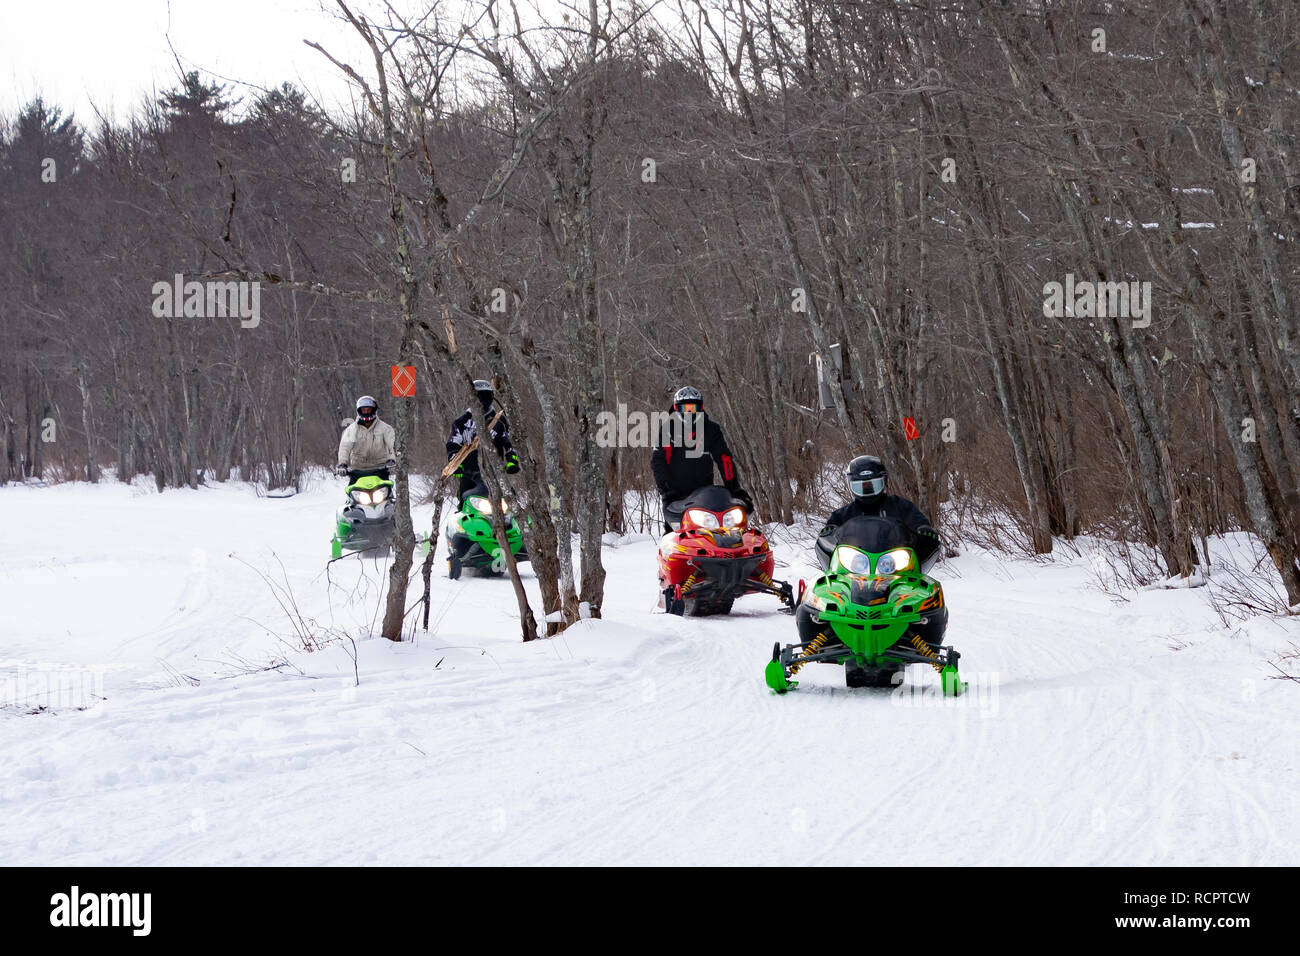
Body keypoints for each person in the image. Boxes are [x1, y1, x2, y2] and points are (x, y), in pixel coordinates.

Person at [651, 385, 750, 532]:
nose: (690, 412)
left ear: (701, 407)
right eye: (686, 409)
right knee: (674, 534)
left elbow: (724, 459)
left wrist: (733, 486)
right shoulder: (668, 430)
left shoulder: (711, 429)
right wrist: (666, 490)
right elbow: (658, 462)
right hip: (675, 495)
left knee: (715, 530)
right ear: (677, 409)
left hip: (705, 494)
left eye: (693, 408)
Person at [821, 454, 940, 567]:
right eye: (860, 486)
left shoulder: (900, 506)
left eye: (873, 485)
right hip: (856, 565)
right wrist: (829, 532)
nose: (867, 490)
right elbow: (831, 531)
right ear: (851, 486)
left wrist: (923, 530)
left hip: (894, 564)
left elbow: (917, 521)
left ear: (884, 482)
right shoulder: (844, 513)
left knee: (923, 585)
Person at [446, 379, 520, 499]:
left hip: (495, 474)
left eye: (487, 396)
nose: (483, 400)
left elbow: (508, 442)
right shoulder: (461, 422)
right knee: (464, 502)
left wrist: (512, 461)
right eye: (480, 396)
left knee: (506, 504)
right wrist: (456, 465)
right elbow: (453, 444)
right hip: (468, 475)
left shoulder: (499, 421)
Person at [336, 395, 396, 483]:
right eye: (364, 410)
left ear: (374, 410)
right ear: (359, 411)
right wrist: (342, 463)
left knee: (387, 493)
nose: (366, 412)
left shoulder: (386, 428)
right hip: (357, 471)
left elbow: (393, 445)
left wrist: (391, 460)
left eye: (369, 409)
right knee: (351, 494)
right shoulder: (351, 430)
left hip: (380, 470)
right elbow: (345, 447)